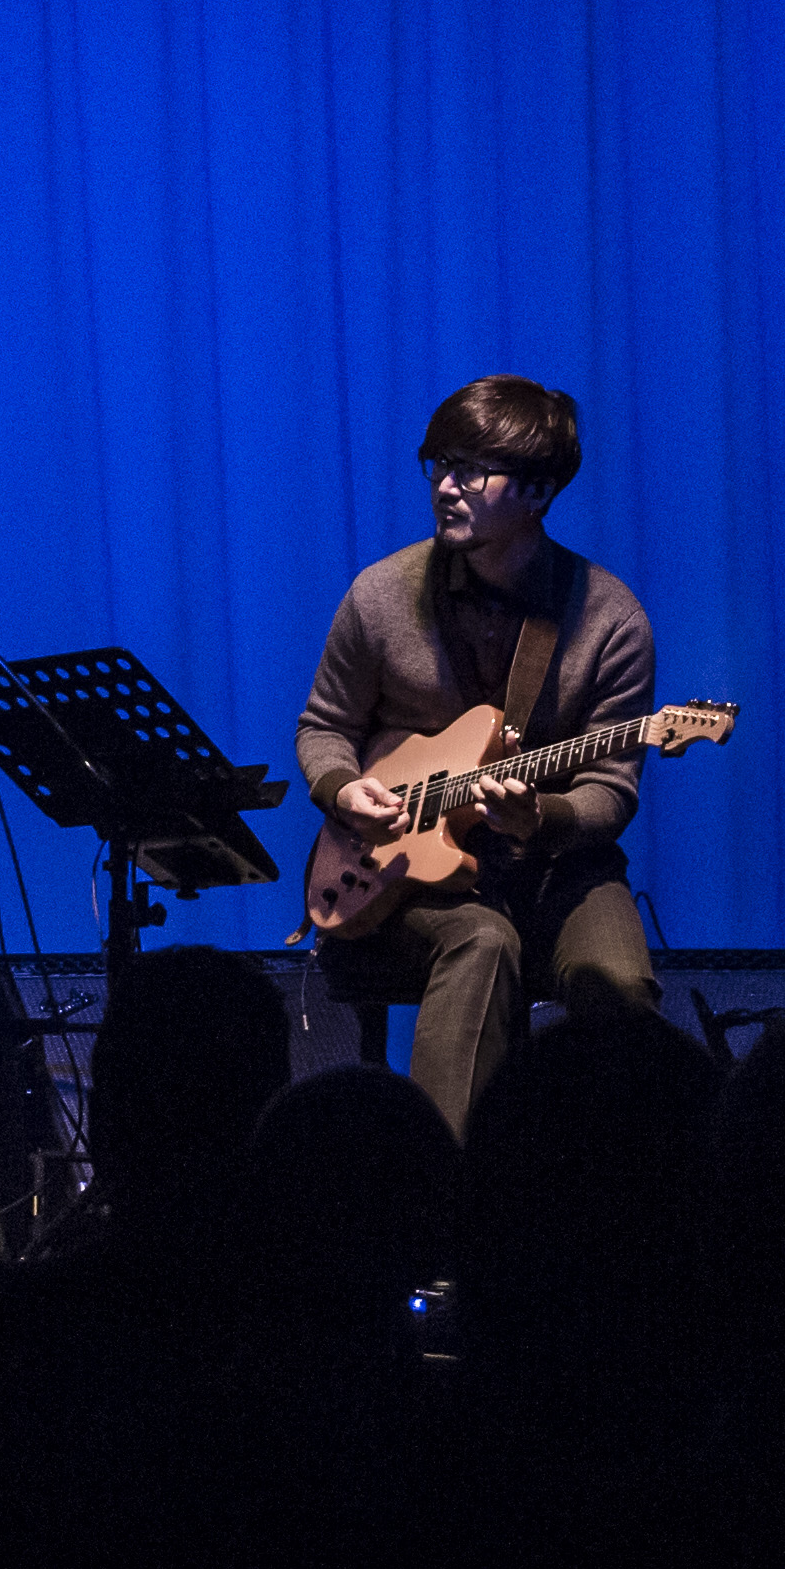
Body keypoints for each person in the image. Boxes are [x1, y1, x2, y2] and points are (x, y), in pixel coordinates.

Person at [293, 375, 665, 1143]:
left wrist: (542, 815)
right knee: (482, 943)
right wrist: (342, 790)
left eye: (471, 470)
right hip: (405, 873)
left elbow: (611, 791)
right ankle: (445, 1188)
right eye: (440, 465)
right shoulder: (380, 595)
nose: (445, 487)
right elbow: (324, 727)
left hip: (557, 864)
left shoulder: (610, 619)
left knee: (624, 992)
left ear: (538, 492)